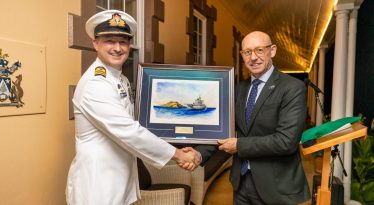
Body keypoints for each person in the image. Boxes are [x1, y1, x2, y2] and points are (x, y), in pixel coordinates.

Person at [65, 10, 200, 205]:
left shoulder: (120, 79)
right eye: (110, 41)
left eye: (123, 41)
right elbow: (129, 132)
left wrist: (177, 144)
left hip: (121, 183)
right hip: (98, 187)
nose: (118, 48)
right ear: (95, 43)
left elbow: (135, 124)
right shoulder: (96, 83)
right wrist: (178, 155)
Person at [201, 31, 311, 204]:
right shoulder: (238, 89)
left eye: (259, 50)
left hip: (276, 187)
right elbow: (222, 128)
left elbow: (286, 142)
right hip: (241, 182)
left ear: (272, 50)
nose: (253, 57)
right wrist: (197, 155)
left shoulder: (293, 88)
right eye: (247, 52)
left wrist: (239, 145)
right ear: (242, 55)